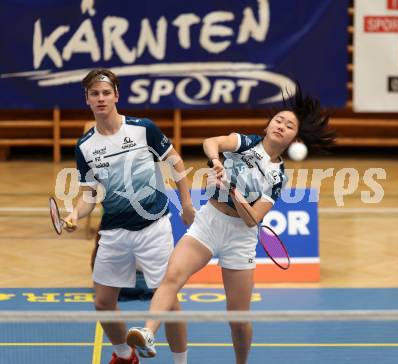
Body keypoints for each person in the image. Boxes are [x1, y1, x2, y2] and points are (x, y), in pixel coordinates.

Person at [126, 82, 336, 363]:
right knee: (172, 277)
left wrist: (234, 192)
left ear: (294, 140)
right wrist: (216, 161)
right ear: (268, 125)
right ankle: (148, 332)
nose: (281, 125)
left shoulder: (277, 178)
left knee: (237, 318)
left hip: (240, 238)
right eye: (278, 120)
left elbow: (253, 220)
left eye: (289, 126)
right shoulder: (246, 143)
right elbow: (211, 142)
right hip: (209, 223)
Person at [64, 68, 195, 364]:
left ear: (116, 96)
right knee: (102, 302)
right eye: (94, 94)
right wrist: (74, 213)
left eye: (106, 93)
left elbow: (176, 163)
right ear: (87, 99)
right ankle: (124, 355)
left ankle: (181, 362)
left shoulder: (142, 128)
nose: (101, 99)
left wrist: (186, 205)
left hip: (153, 227)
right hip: (114, 231)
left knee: (169, 302)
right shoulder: (85, 146)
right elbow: (88, 195)